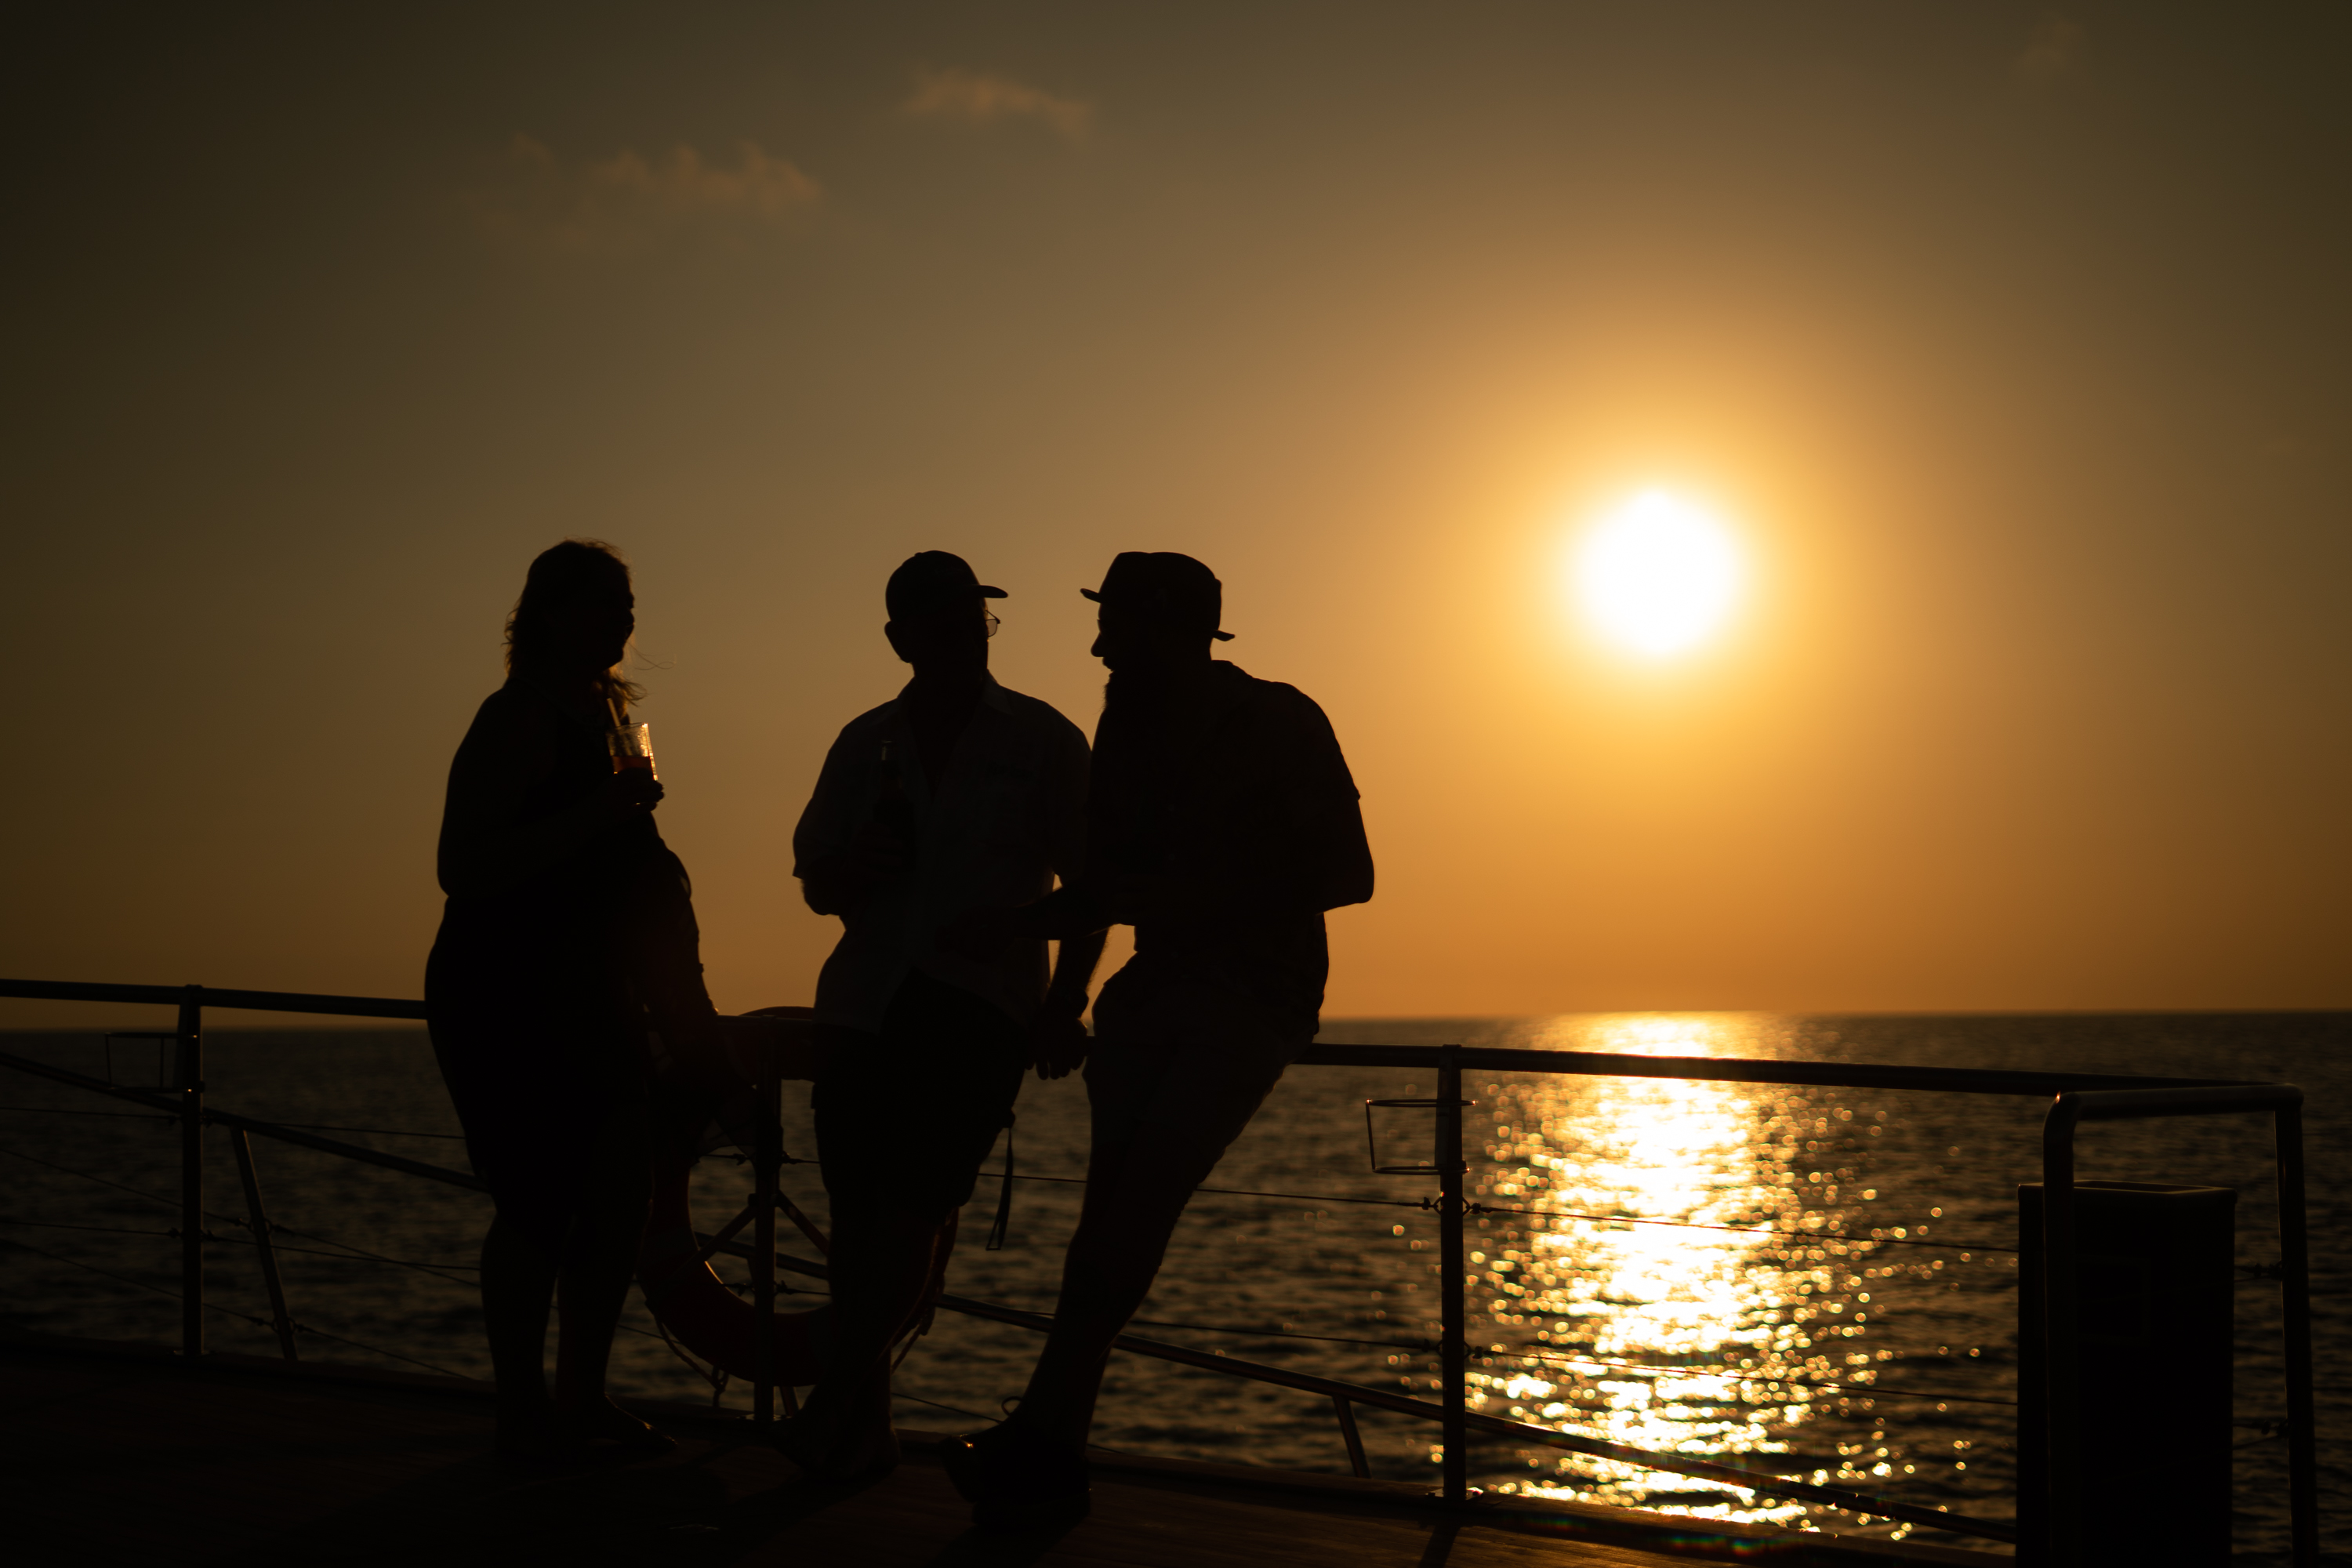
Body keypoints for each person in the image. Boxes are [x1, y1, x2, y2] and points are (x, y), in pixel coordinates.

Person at [942, 550, 1374, 1528]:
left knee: (1122, 1225)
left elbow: (1350, 871)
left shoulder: (1281, 719)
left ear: (1172, 630)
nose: (1097, 645)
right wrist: (1024, 937)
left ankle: (1042, 1446)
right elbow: (1104, 890)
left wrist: (1188, 901)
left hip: (1250, 1002)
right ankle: (1049, 1451)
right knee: (1106, 1237)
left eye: (1117, 625)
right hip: (1152, 999)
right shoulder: (1124, 725)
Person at [784, 550, 1101, 1481]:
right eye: (946, 621)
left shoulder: (1046, 740)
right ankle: (868, 1430)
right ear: (901, 639)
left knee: (917, 1207)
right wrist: (858, 872)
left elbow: (1090, 889)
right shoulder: (862, 743)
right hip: (863, 1000)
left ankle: (834, 1403)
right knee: (856, 1216)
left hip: (976, 1004)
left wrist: (1064, 1002)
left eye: (977, 619)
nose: (967, 635)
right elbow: (817, 879)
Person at [426, 539, 738, 1463]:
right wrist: (599, 815)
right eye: (605, 601)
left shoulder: (602, 718)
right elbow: (463, 866)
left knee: (618, 1189)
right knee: (535, 1200)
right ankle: (523, 1410)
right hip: (506, 990)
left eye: (629, 602)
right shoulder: (515, 720)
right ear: (549, 613)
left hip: (586, 986)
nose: (625, 618)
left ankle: (582, 1397)